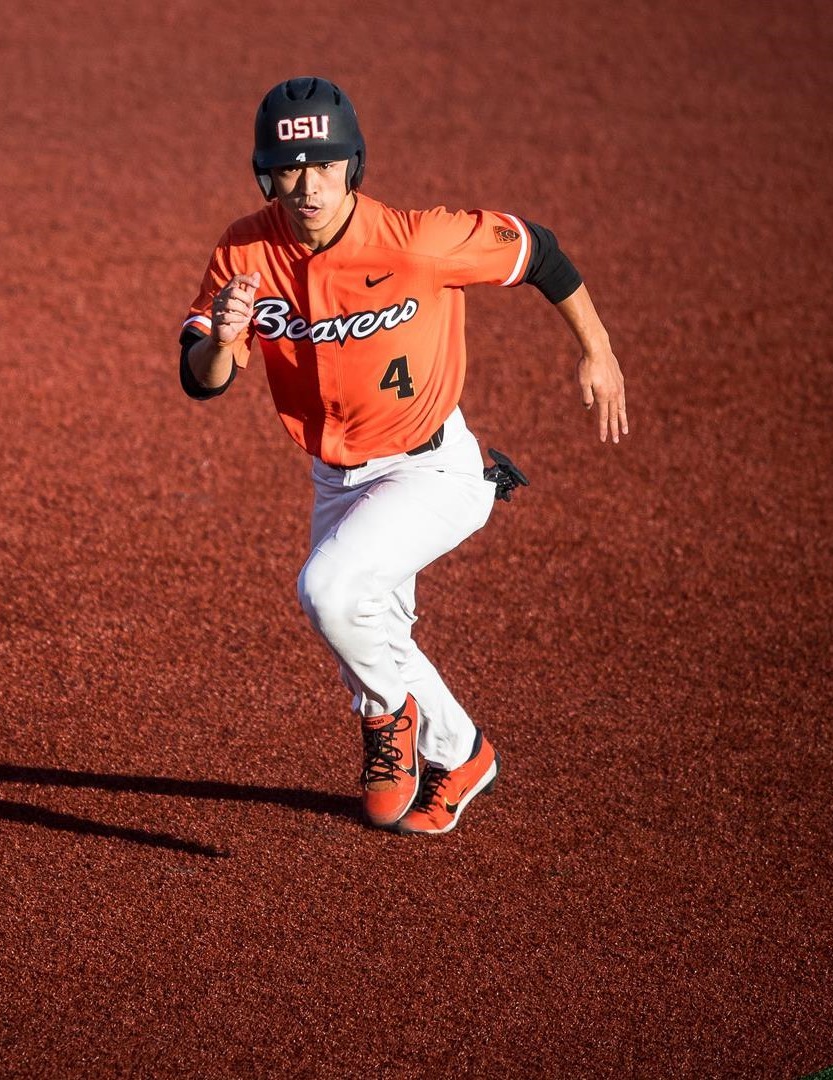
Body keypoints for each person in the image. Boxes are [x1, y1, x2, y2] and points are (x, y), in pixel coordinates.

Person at [180, 76, 627, 835]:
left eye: (325, 165)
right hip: (335, 476)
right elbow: (202, 382)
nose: (309, 185)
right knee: (372, 632)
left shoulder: (418, 241)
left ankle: (391, 717)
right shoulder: (245, 248)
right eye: (291, 169)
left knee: (327, 590)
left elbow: (538, 250)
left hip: (432, 468)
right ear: (268, 172)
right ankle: (463, 753)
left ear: (353, 164)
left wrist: (599, 349)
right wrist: (222, 339)